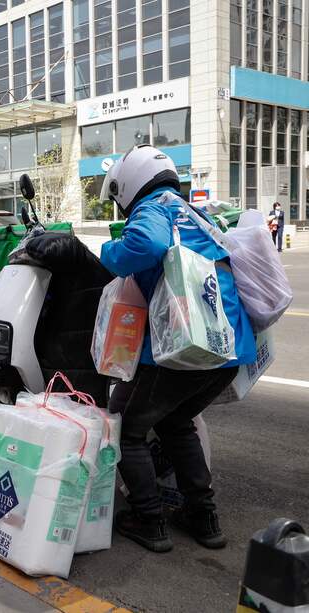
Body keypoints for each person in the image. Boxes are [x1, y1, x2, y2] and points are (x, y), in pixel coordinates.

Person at [99, 145, 257, 553]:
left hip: (183, 346)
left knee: (124, 426)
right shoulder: (194, 214)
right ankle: (203, 518)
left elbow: (145, 246)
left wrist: (107, 254)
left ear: (130, 184)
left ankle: (148, 519)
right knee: (174, 422)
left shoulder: (153, 208)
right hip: (227, 346)